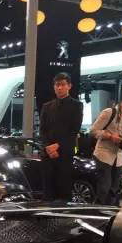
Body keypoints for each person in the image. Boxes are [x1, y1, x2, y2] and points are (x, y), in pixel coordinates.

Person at [90, 90, 122, 205]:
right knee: (104, 188)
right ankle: (98, 212)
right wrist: (110, 136)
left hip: (118, 157)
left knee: (114, 189)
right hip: (103, 156)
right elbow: (93, 131)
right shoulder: (109, 112)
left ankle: (110, 212)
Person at [39, 72, 83, 201]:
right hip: (48, 154)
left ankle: (64, 213)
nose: (59, 87)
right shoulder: (46, 106)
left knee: (64, 189)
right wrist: (48, 147)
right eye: (57, 85)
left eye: (62, 84)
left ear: (69, 86)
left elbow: (74, 130)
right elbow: (42, 130)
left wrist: (57, 146)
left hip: (65, 153)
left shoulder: (77, 106)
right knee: (48, 190)